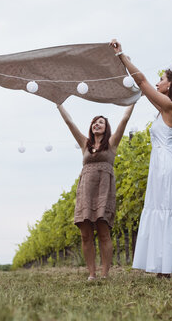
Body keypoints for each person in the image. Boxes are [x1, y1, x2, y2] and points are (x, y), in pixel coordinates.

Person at [110, 39, 172, 278]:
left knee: (170, 210)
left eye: (162, 79)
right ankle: (164, 268)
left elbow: (141, 82)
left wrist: (122, 56)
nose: (158, 82)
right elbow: (143, 85)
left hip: (168, 166)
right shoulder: (165, 110)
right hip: (161, 165)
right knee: (162, 210)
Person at [57, 102, 135, 280]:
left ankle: (105, 273)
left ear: (106, 127)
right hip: (86, 190)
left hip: (104, 190)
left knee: (103, 232)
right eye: (94, 122)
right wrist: (59, 104)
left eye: (101, 122)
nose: (96, 124)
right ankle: (91, 273)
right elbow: (70, 123)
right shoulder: (85, 144)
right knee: (85, 234)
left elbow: (125, 119)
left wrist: (132, 100)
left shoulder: (112, 143)